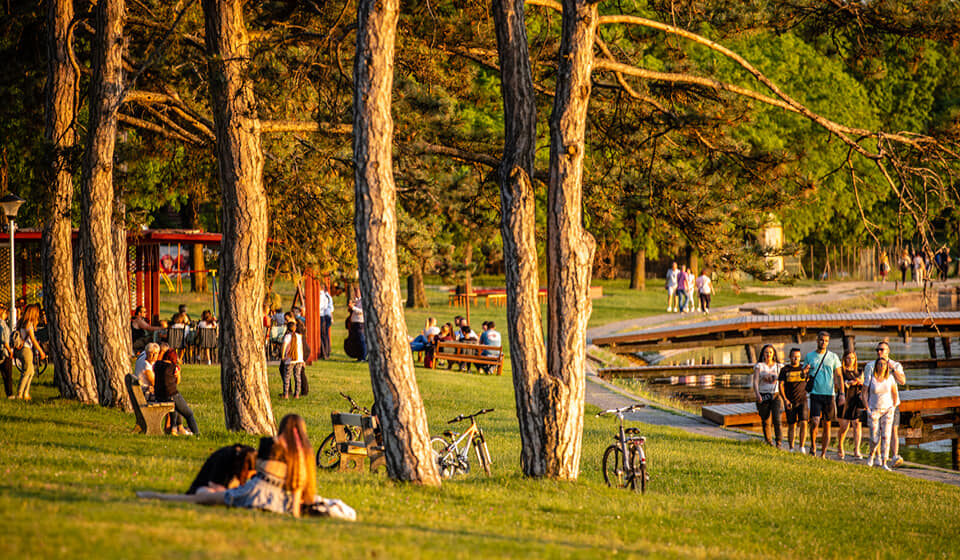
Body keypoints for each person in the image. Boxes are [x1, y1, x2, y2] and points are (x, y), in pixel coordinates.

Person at [136, 414, 356, 519]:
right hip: (282, 496)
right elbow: (300, 488)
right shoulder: (305, 453)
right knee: (213, 495)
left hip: (259, 491)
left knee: (202, 496)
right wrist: (296, 511)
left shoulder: (277, 444)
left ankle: (148, 495)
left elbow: (260, 476)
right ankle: (149, 495)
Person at [863, 341, 906, 467]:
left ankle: (892, 458)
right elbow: (866, 386)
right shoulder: (870, 366)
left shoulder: (896, 365)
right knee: (875, 435)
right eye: (877, 350)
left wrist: (892, 369)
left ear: (888, 351)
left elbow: (902, 381)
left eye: (882, 349)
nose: (879, 352)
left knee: (892, 431)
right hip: (874, 404)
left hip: (891, 405)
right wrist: (867, 407)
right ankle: (876, 456)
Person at [803, 331, 843, 458]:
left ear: (828, 342)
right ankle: (813, 446)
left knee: (827, 423)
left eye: (826, 340)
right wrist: (804, 372)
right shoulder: (810, 356)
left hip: (829, 394)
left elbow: (839, 375)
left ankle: (824, 453)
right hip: (815, 393)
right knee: (814, 421)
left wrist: (841, 393)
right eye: (821, 340)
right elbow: (803, 375)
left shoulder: (833, 357)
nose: (823, 342)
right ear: (817, 340)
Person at [153, 349, 199, 436]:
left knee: (176, 407)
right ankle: (197, 433)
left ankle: (174, 429)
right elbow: (177, 381)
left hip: (159, 396)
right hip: (171, 395)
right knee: (189, 414)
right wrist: (179, 374)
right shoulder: (174, 367)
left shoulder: (157, 365)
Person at [186, 444, 257, 494]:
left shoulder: (249, 454)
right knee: (206, 492)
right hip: (206, 488)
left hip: (224, 488)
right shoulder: (226, 457)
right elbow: (215, 486)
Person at [778, 348, 809, 453]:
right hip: (790, 400)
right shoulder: (785, 370)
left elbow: (809, 381)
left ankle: (802, 447)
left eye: (798, 357)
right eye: (794, 356)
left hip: (802, 400)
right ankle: (791, 447)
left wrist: (805, 373)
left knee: (804, 422)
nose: (796, 358)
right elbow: (781, 385)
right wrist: (785, 400)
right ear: (790, 357)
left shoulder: (803, 368)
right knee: (792, 424)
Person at [835, 351, 865, 460]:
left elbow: (864, 384)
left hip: (856, 399)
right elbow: (836, 384)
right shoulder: (841, 371)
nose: (850, 360)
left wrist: (860, 382)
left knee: (857, 424)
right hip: (844, 399)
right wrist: (847, 384)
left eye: (852, 358)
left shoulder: (859, 371)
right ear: (844, 359)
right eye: (848, 358)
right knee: (844, 426)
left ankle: (857, 450)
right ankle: (840, 445)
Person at [752, 344, 783, 448]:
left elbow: (783, 382)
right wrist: (757, 394)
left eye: (770, 352)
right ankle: (769, 441)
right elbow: (755, 381)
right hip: (763, 394)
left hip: (776, 395)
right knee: (765, 419)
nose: (768, 354)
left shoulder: (779, 366)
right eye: (766, 352)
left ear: (774, 353)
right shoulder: (759, 366)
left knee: (777, 419)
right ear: (763, 354)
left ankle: (779, 442)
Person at [15, 303, 46, 401]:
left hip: (22, 349)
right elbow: (33, 339)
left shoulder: (22, 322)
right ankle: (20, 393)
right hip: (26, 349)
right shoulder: (29, 324)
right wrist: (41, 351)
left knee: (31, 371)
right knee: (26, 371)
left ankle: (26, 392)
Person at [280, 322, 304, 399]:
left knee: (287, 377)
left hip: (289, 359)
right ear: (295, 328)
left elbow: (284, 346)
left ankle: (286, 394)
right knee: (297, 377)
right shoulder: (299, 336)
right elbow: (301, 348)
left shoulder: (287, 336)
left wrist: (282, 356)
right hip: (298, 359)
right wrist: (302, 359)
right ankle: (296, 394)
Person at [318, 284, 334, 360]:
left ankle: (324, 352)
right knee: (325, 335)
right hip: (324, 315)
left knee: (323, 335)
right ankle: (326, 352)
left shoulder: (322, 296)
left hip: (321, 315)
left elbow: (322, 306)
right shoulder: (326, 296)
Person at [348, 295, 366, 361]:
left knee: (362, 340)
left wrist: (353, 308)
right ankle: (359, 356)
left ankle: (363, 357)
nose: (356, 293)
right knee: (357, 341)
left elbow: (362, 311)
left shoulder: (363, 300)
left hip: (360, 322)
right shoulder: (357, 301)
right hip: (354, 322)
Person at [0, 305, 13, 398]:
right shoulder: (2, 325)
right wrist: (9, 351)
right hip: (4, 351)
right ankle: (10, 393)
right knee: (7, 374)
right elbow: (4, 340)